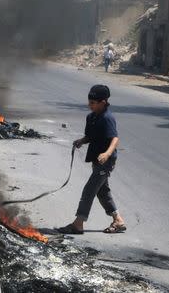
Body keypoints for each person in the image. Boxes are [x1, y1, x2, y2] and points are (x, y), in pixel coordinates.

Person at [57, 85, 126, 234]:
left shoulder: (108, 118)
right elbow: (91, 136)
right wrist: (82, 141)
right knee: (102, 191)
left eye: (93, 103)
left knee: (89, 190)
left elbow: (114, 138)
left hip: (106, 161)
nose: (90, 105)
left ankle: (78, 223)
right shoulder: (91, 117)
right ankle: (118, 220)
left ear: (103, 102)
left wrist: (107, 154)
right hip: (96, 159)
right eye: (89, 102)